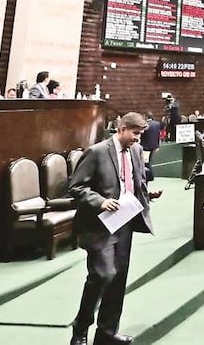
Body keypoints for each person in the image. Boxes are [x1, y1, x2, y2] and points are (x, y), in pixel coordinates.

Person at [68, 113, 161, 345]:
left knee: (118, 278)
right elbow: (76, 187)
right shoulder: (97, 152)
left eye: (141, 135)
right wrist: (100, 201)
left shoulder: (137, 152)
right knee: (102, 275)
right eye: (134, 134)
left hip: (125, 222)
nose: (138, 139)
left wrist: (147, 194)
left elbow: (134, 182)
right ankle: (80, 330)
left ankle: (107, 334)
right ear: (121, 128)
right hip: (99, 225)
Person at [140, 113, 163, 181]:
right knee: (149, 161)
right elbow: (158, 135)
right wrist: (157, 145)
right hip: (154, 146)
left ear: (146, 116)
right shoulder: (157, 124)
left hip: (145, 146)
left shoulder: (145, 125)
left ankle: (150, 176)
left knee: (146, 162)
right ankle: (148, 175)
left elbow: (142, 135)